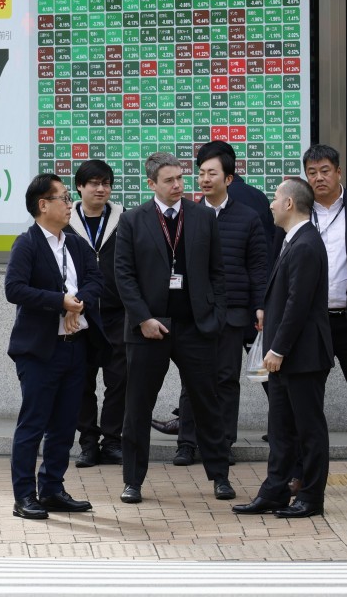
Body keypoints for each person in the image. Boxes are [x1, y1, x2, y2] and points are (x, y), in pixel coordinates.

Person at [114, 152, 234, 505]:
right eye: (169, 180)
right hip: (149, 327)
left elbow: (218, 271)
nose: (178, 185)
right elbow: (123, 276)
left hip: (195, 325)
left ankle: (220, 476)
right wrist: (143, 318)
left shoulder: (201, 216)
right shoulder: (133, 221)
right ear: (151, 184)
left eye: (180, 178)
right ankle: (133, 480)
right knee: (138, 405)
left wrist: (217, 314)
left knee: (207, 402)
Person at [280, 144, 347, 496]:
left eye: (324, 170)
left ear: (338, 172)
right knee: (303, 405)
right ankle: (300, 474)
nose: (318, 177)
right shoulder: (297, 210)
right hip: (311, 323)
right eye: (311, 172)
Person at [5, 174, 107, 520]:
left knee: (65, 424)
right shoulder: (28, 244)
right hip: (39, 350)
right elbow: (14, 289)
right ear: (42, 205)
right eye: (63, 198)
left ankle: (51, 488)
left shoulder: (76, 244)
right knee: (33, 423)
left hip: (76, 346)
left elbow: (96, 280)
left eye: (68, 198)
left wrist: (76, 302)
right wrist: (58, 302)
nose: (69, 205)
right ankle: (24, 495)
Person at [233, 177, 332, 519]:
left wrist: (277, 349)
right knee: (280, 430)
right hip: (285, 355)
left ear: (289, 204)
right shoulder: (293, 240)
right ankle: (274, 492)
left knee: (309, 430)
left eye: (276, 198)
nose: (271, 204)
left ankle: (310, 497)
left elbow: (298, 304)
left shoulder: (305, 244)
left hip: (300, 356)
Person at [172, 149, 268, 467]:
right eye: (201, 173)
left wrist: (259, 305)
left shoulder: (247, 217)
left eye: (211, 173)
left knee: (227, 379)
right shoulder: (187, 215)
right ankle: (186, 443)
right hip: (195, 311)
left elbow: (258, 267)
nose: (204, 179)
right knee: (192, 378)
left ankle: (224, 443)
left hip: (235, 310)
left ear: (228, 179)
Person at [65, 160, 126, 469]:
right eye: (94, 183)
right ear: (80, 187)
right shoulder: (65, 223)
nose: (101, 188)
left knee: (119, 380)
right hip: (79, 315)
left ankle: (113, 441)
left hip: (118, 314)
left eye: (106, 183)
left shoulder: (124, 220)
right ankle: (88, 442)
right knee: (81, 381)